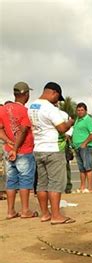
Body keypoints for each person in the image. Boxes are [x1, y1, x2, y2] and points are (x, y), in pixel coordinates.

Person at [28, 82, 75, 224]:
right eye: (57, 97)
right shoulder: (50, 108)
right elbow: (61, 128)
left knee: (42, 183)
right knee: (55, 183)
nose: (57, 101)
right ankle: (56, 216)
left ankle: (45, 214)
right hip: (52, 149)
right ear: (53, 93)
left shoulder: (31, 106)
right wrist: (70, 123)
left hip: (38, 148)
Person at [0, 82, 37, 219]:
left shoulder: (3, 109)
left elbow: (0, 128)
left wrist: (8, 141)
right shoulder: (25, 111)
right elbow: (23, 130)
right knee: (25, 180)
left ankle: (10, 211)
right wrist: (15, 148)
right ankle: (25, 210)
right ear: (26, 94)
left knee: (11, 181)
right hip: (23, 150)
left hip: (8, 149)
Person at [72, 102, 92, 193]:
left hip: (86, 147)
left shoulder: (88, 119)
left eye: (82, 110)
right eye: (78, 110)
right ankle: (82, 187)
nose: (80, 112)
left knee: (88, 167)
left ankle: (89, 188)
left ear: (85, 111)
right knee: (81, 168)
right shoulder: (77, 120)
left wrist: (85, 143)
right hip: (77, 147)